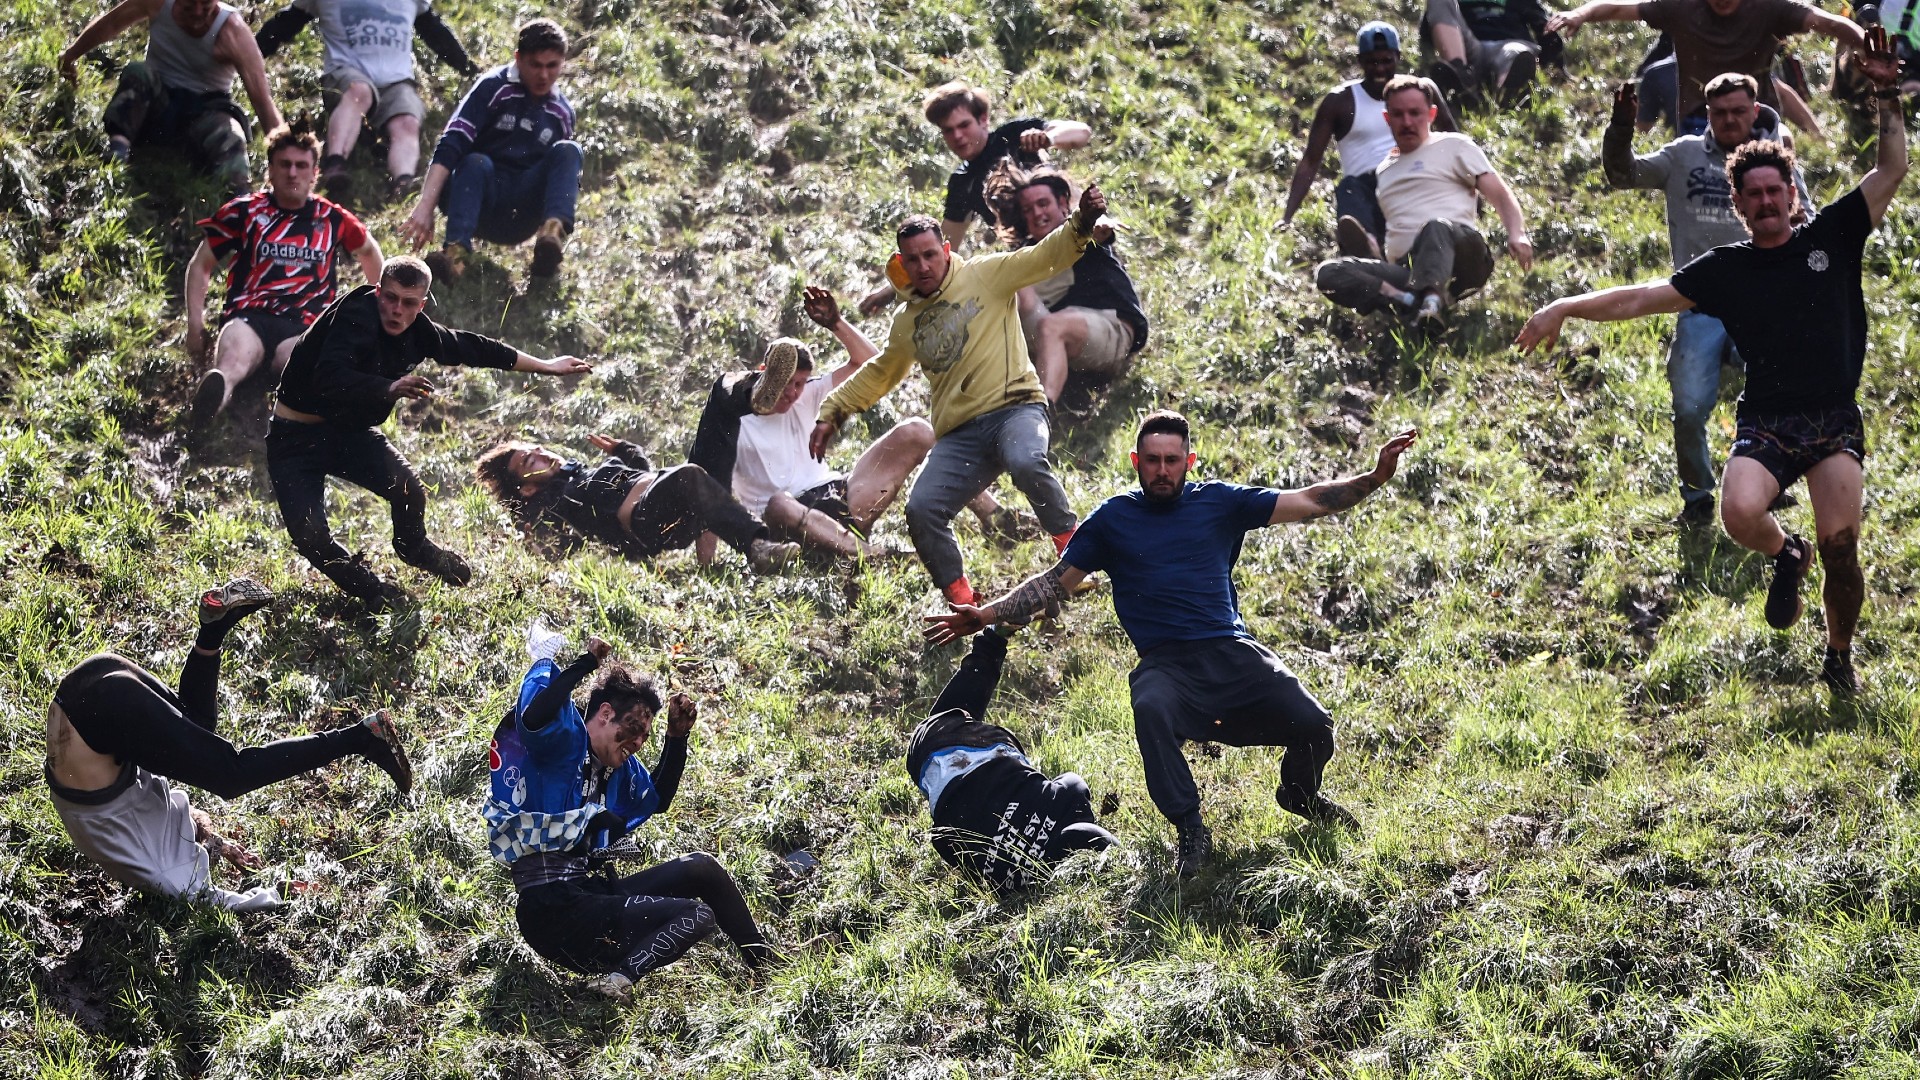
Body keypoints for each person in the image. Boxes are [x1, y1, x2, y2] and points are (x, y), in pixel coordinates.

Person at [1515, 27, 1906, 698]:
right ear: (1739, 204)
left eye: (1772, 191)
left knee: (1843, 552)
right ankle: (1787, 554)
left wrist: (1887, 91)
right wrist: (1566, 305)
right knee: (1739, 514)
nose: (1763, 202)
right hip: (1769, 418)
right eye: (1750, 195)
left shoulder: (1834, 234)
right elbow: (1641, 298)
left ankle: (1839, 656)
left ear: (1791, 193)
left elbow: (1891, 168)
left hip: (1833, 418)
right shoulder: (1729, 270)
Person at [926, 412, 1419, 875]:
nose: (1163, 471)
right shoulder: (1113, 520)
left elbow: (1310, 500)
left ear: (1189, 461)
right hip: (1167, 665)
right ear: (1137, 463)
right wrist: (986, 616)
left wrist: (1375, 477)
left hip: (1231, 650)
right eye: (1153, 461)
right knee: (1150, 703)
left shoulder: (1220, 503)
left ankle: (1300, 794)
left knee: (1314, 725)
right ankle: (1189, 827)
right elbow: (1055, 582)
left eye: (1172, 460)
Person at [810, 185, 1119, 607]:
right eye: (912, 259)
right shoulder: (907, 321)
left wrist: (1080, 223)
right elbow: (882, 372)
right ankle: (963, 604)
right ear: (900, 262)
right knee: (922, 510)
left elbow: (1044, 256)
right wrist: (833, 411)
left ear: (946, 249)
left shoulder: (985, 274)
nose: (922, 266)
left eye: (929, 254)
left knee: (1027, 460)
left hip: (1016, 409)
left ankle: (1075, 562)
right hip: (960, 436)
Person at [46, 579, 412, 911]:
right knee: (198, 725)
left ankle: (361, 738)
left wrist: (276, 894)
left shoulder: (165, 874)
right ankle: (212, 631)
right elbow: (175, 810)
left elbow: (216, 900)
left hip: (102, 714)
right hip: (88, 684)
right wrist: (216, 844)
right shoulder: (126, 836)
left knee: (231, 775)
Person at [268, 256, 593, 606]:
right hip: (294, 438)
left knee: (409, 490)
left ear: (421, 304)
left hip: (347, 434)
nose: (396, 310)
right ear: (378, 291)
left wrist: (546, 366)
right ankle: (375, 592)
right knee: (310, 534)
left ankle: (415, 549)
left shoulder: (418, 331)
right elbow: (328, 377)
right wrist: (388, 387)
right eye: (389, 298)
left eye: (408, 303)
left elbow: (472, 347)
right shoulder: (355, 315)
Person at [486, 627, 778, 997]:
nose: (638, 743)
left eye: (644, 737)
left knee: (702, 868)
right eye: (634, 729)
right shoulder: (561, 742)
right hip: (550, 909)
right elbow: (535, 714)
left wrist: (676, 740)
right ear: (606, 714)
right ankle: (618, 980)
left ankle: (768, 969)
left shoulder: (612, 770)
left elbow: (655, 799)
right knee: (696, 915)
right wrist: (585, 664)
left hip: (588, 895)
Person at [1603, 72, 1805, 526]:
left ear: (1755, 111)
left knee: (1775, 395)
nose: (1729, 120)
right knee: (1690, 408)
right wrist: (1620, 128)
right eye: (1719, 112)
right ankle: (1697, 500)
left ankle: (1767, 485)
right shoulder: (1684, 155)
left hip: (1763, 303)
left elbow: (1805, 219)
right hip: (1701, 304)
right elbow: (1623, 175)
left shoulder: (1774, 162)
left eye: (1739, 111)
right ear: (1705, 113)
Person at [686, 287, 1015, 562]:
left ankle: (994, 517)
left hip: (839, 499)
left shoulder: (809, 394)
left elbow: (871, 365)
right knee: (779, 503)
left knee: (917, 431)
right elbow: (710, 490)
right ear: (765, 372)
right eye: (784, 382)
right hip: (783, 524)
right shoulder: (732, 420)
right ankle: (871, 557)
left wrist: (836, 322)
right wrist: (708, 566)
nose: (792, 393)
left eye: (798, 383)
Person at [184, 120, 383, 429]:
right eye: (285, 164)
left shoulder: (332, 219)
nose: (293, 173)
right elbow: (201, 264)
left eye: (301, 166)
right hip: (249, 316)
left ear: (315, 173)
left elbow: (369, 252)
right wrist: (194, 324)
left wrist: (377, 312)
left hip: (304, 324)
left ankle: (295, 415)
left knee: (300, 362)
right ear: (271, 170)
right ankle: (210, 407)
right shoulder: (245, 212)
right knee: (233, 360)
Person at [906, 627, 1116, 892]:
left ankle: (993, 640)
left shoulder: (1066, 802)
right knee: (940, 730)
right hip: (931, 778)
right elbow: (945, 843)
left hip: (966, 746)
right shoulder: (1012, 885)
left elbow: (1074, 783)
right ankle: (992, 641)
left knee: (946, 723)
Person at [857, 81, 1092, 315]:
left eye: (964, 125)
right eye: (948, 130)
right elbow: (944, 249)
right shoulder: (963, 183)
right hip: (1034, 263)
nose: (957, 136)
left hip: (1075, 237)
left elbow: (1081, 132)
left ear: (983, 119)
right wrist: (890, 291)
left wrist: (1048, 138)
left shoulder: (1011, 137)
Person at [1314, 75, 1533, 322]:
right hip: (1409, 270)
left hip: (1461, 257)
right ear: (1387, 118)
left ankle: (1431, 305)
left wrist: (1517, 233)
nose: (1407, 122)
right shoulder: (1385, 170)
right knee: (1330, 273)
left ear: (1431, 114)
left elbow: (1499, 193)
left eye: (1415, 113)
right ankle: (1406, 300)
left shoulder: (1454, 146)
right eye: (1398, 114)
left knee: (1435, 226)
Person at [400, 18, 579, 280]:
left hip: (518, 213)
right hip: (476, 195)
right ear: (518, 59)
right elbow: (452, 142)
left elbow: (558, 177)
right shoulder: (493, 87)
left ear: (562, 62)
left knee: (569, 150)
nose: (544, 75)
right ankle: (455, 256)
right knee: (476, 162)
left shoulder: (561, 113)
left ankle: (550, 240)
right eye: (535, 65)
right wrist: (426, 206)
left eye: (552, 66)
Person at [474, 434, 802, 574]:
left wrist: (625, 451)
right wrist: (526, 523)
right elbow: (545, 539)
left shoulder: (586, 472)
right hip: (646, 523)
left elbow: (641, 474)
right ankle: (758, 548)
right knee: (690, 475)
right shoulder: (554, 502)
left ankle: (724, 560)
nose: (541, 455)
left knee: (708, 466)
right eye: (529, 463)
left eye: (536, 449)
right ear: (527, 489)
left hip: (663, 504)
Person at [254, 0, 480, 201]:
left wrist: (469, 70)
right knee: (359, 92)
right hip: (346, 74)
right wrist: (251, 53)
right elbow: (286, 24)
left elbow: (435, 33)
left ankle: (404, 182)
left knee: (407, 121)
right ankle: (335, 164)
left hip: (396, 80)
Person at [1545, 0, 1864, 137]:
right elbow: (1621, 8)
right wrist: (1581, 14)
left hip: (1759, 119)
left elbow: (1827, 22)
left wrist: (1867, 47)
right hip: (1700, 122)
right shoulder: (1683, 8)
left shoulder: (1769, 8)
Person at [59, 0, 282, 193]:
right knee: (137, 72)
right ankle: (118, 149)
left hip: (205, 112)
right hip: (157, 104)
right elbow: (110, 24)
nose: (196, 12)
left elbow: (262, 101)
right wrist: (70, 56)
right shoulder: (157, 4)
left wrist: (285, 154)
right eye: (188, 4)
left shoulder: (232, 31)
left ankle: (239, 199)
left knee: (231, 132)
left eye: (205, 4)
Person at [1282, 22, 1458, 254]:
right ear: (1360, 61)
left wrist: (1470, 188)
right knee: (1349, 188)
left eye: (1386, 61)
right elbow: (1311, 160)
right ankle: (1366, 244)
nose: (1380, 69)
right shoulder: (1340, 101)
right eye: (1372, 62)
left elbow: (1453, 141)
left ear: (1398, 57)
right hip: (1367, 187)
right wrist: (1287, 216)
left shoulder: (1420, 91)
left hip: (1411, 177)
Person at [984, 165, 1149, 404]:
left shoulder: (1077, 232)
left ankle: (1042, 409)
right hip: (1054, 337)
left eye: (1043, 204)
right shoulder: (1025, 255)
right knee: (1009, 289)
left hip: (1112, 333)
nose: (1036, 214)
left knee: (1053, 325)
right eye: (1028, 210)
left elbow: (1094, 226)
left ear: (1062, 203)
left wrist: (1096, 221)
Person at [1423, 0, 1565, 109]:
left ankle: (1505, 93)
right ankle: (1460, 78)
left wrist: (1553, 64)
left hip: (1509, 46)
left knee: (1519, 54)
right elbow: (1432, 23)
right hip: (1469, 48)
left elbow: (1545, 27)